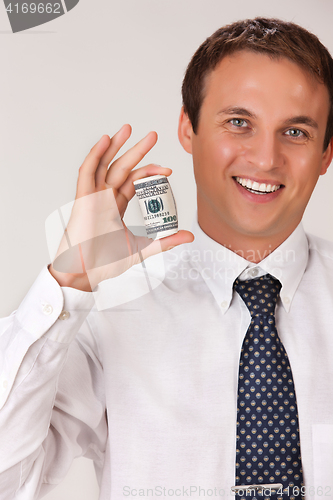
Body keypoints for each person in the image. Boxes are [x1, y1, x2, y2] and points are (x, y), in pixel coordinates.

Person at [1, 17, 333, 500]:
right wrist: (69, 279)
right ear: (188, 129)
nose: (265, 159)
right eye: (239, 122)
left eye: (297, 132)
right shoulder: (109, 312)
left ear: (326, 154)